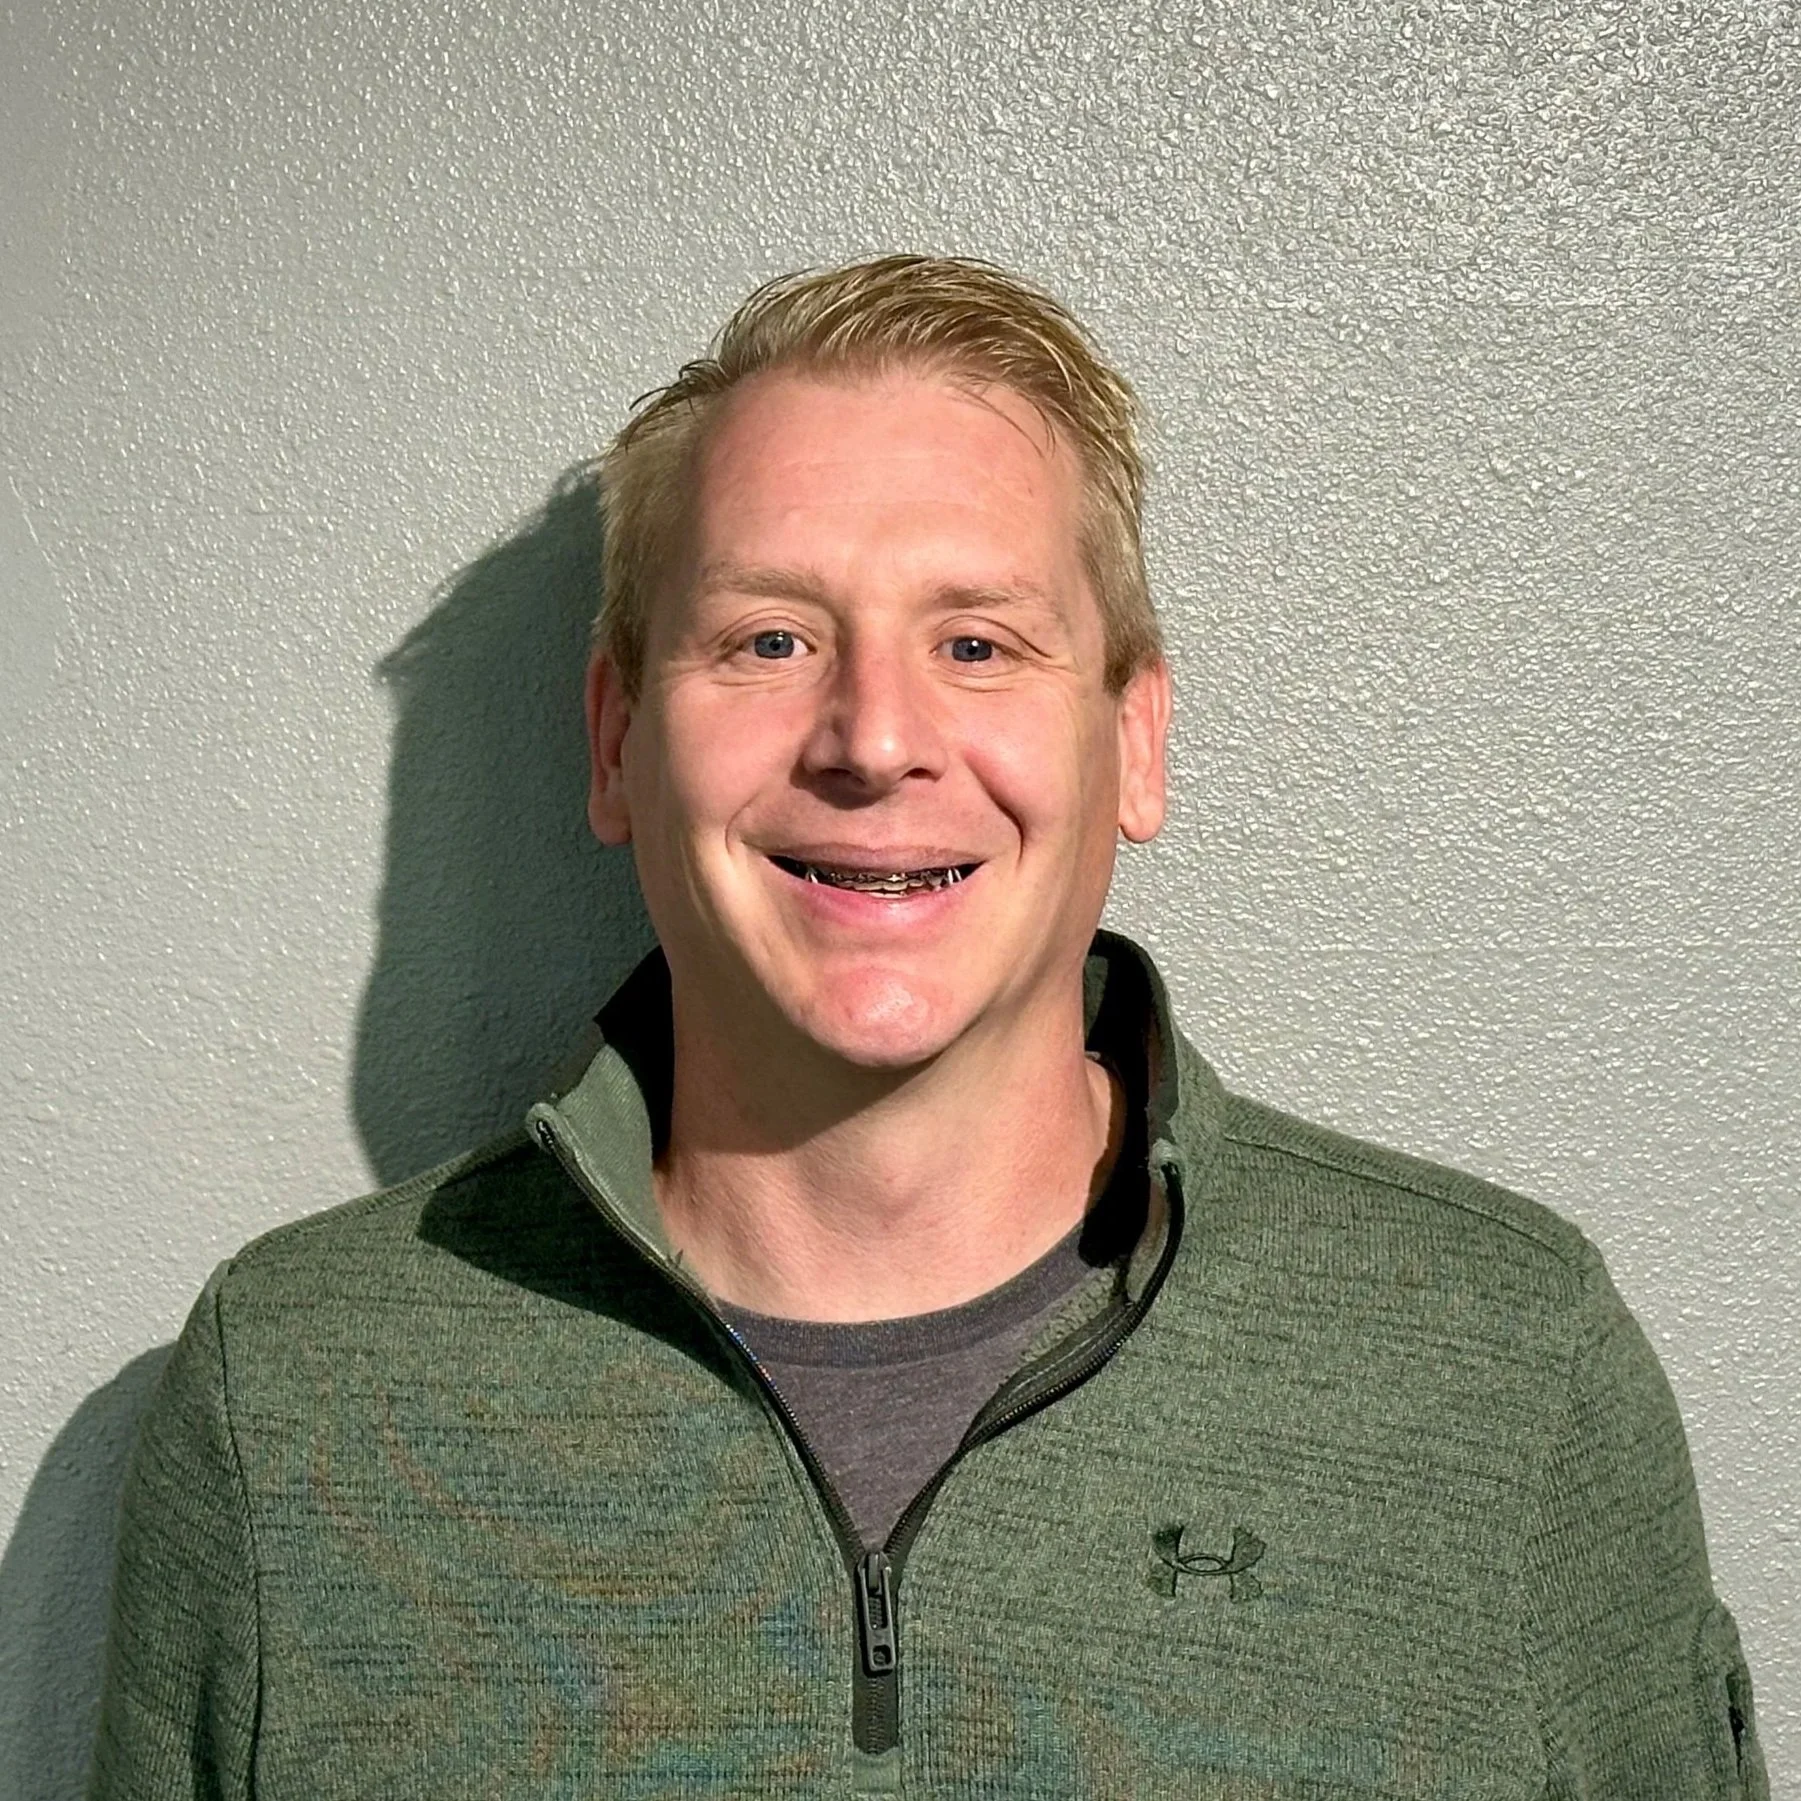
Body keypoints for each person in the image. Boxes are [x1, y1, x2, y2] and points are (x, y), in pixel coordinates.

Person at [90, 256, 1766, 1799]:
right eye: (769, 639)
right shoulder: (296, 1397)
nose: (876, 737)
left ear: (1136, 739)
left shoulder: (1499, 1375)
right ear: (614, 742)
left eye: (977, 642)